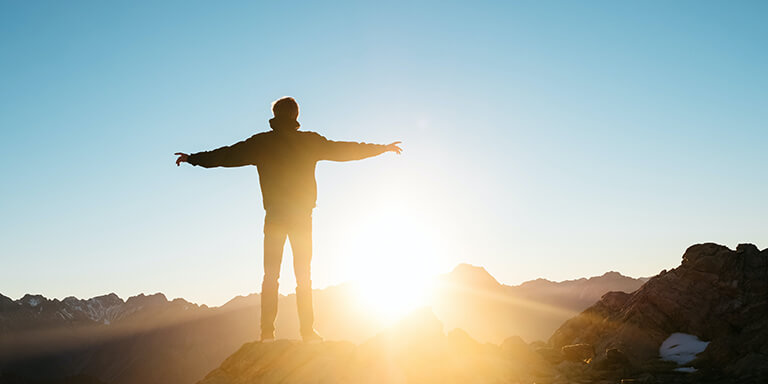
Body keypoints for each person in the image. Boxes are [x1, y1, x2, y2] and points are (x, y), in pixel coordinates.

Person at [175, 97, 402, 342]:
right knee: (304, 275)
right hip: (302, 217)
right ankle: (307, 332)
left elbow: (226, 155)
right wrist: (381, 148)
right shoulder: (309, 142)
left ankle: (266, 333)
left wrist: (193, 158)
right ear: (296, 116)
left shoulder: (262, 143)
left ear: (275, 115)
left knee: (271, 276)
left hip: (275, 216)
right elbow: (346, 150)